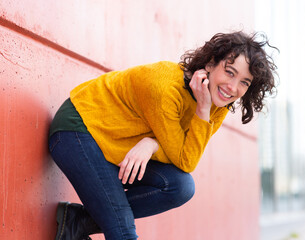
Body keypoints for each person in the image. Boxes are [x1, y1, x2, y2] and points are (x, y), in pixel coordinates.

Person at [48, 30, 277, 240]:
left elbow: (187, 161)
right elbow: (183, 156)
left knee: (180, 186)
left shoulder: (214, 105)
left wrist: (155, 143)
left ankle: (77, 221)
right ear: (210, 64)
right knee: (123, 231)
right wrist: (154, 144)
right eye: (229, 72)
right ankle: (82, 221)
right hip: (77, 131)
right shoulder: (165, 87)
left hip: (116, 146)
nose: (232, 87)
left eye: (244, 82)